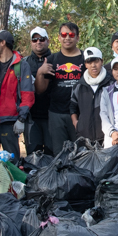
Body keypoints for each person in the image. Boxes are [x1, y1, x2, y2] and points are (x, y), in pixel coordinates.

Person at [34, 22, 84, 155]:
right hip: (56, 113)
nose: (67, 37)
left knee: (80, 153)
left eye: (71, 34)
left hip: (80, 113)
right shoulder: (51, 59)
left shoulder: (85, 59)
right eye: (64, 34)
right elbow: (40, 90)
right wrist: (40, 72)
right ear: (59, 37)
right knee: (59, 154)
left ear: (77, 38)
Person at [0, 29, 31, 155]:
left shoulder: (21, 65)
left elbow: (28, 95)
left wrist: (21, 119)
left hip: (9, 121)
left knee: (12, 161)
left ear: (3, 43)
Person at [20, 26, 53, 154]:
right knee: (33, 155)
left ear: (48, 41)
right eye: (34, 40)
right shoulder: (24, 63)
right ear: (31, 43)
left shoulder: (56, 60)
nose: (38, 42)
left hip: (53, 116)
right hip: (31, 117)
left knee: (53, 155)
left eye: (41, 39)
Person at [71, 47, 111, 142]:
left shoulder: (111, 83)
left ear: (102, 61)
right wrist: (76, 123)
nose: (93, 65)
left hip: (107, 137)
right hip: (84, 138)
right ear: (85, 64)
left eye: (96, 61)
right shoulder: (79, 86)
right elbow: (73, 106)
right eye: (89, 62)